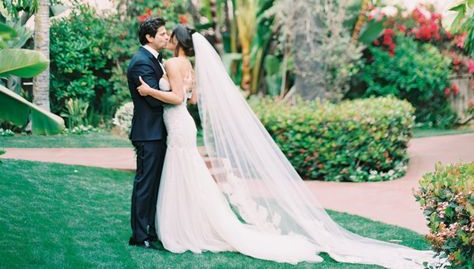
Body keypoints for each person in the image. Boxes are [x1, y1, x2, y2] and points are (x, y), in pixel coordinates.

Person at [136, 26, 435, 267]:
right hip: (183, 124)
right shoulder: (188, 64)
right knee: (189, 175)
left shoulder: (173, 62)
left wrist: (150, 90)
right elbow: (193, 100)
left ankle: (181, 229)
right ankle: (190, 224)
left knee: (182, 173)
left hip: (177, 124)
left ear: (176, 40)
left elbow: (177, 98)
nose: (166, 37)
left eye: (168, 34)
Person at [126, 17, 181, 249]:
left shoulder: (154, 60)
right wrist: (178, 99)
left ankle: (151, 228)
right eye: (161, 34)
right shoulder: (141, 62)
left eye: (166, 33)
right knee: (145, 184)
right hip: (149, 133)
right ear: (149, 37)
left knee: (155, 184)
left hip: (157, 132)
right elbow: (153, 100)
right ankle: (139, 236)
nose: (166, 36)